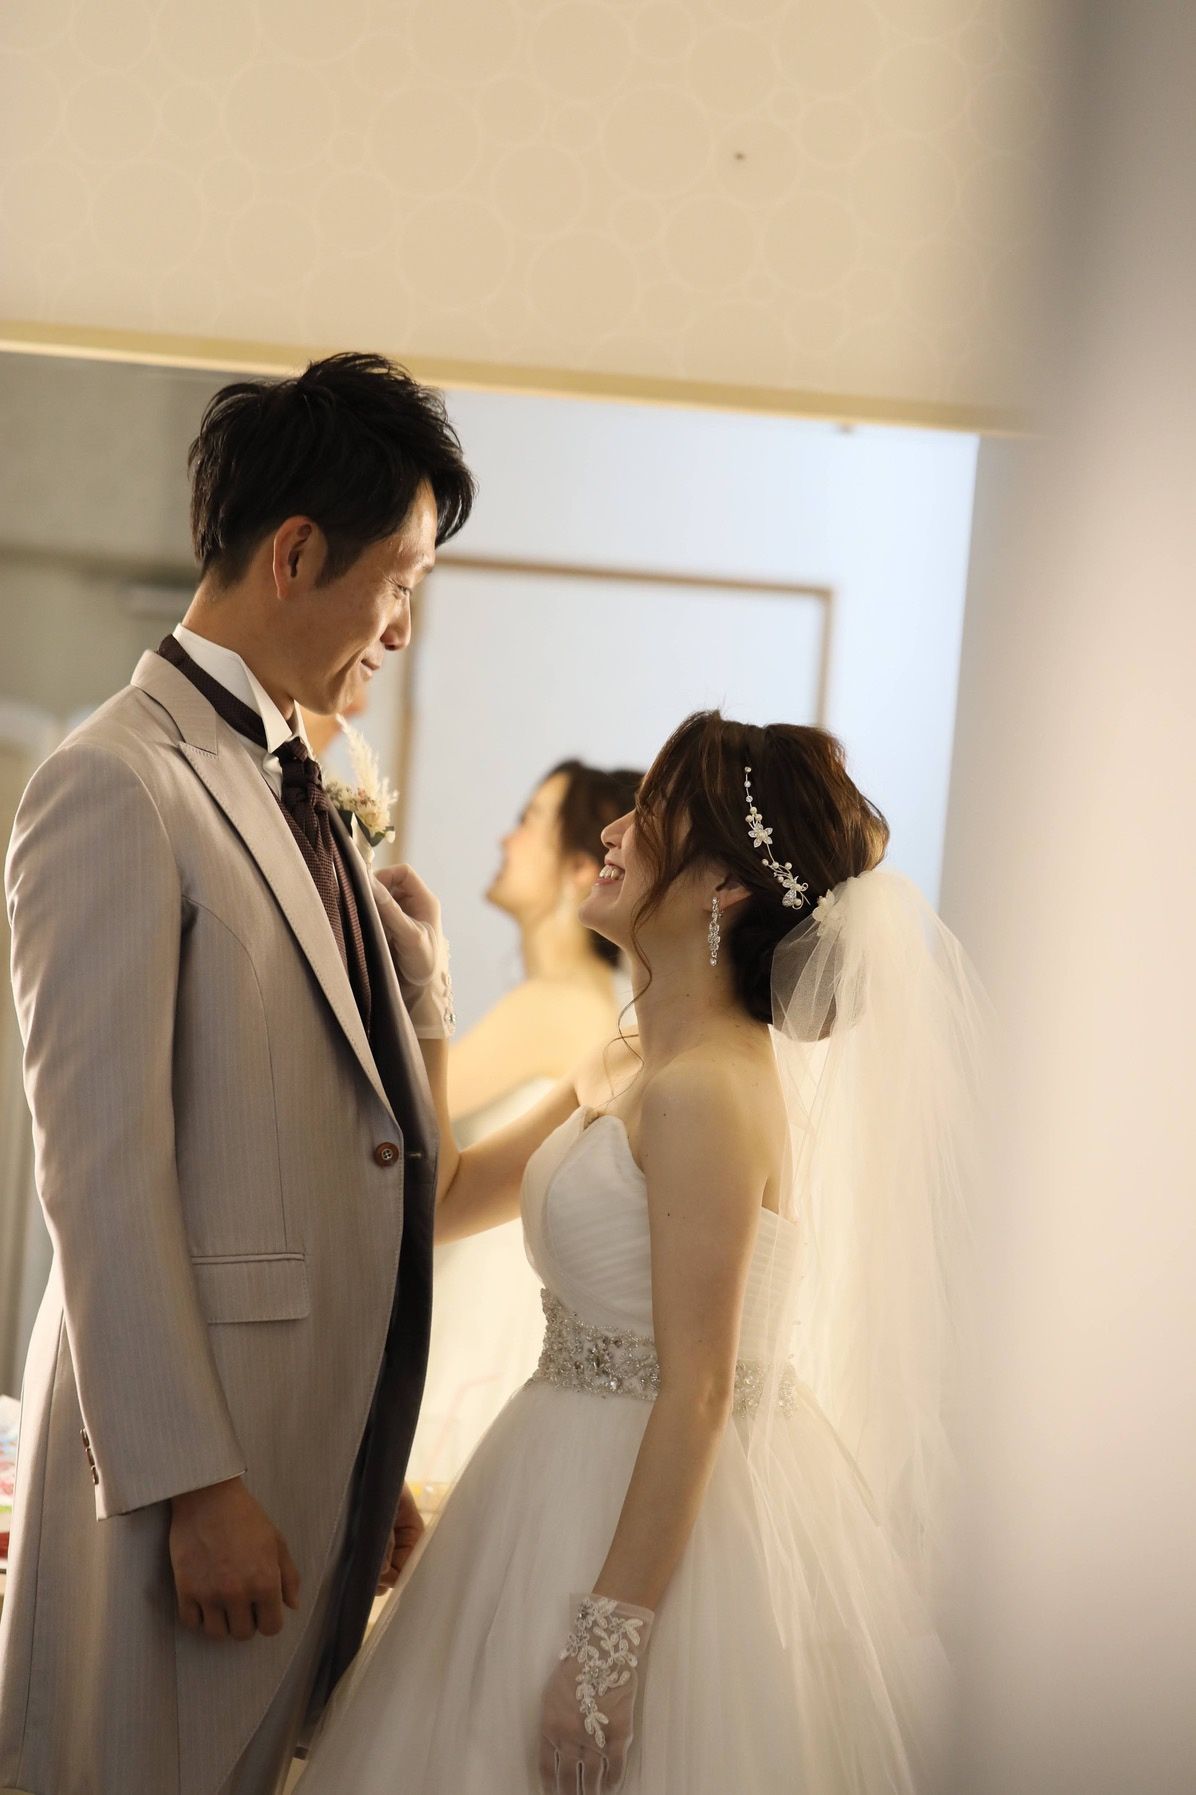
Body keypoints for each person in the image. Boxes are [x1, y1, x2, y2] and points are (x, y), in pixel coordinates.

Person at [300, 709, 981, 1794]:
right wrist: (426, 993)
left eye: (652, 814)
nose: (613, 831)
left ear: (726, 888)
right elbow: (447, 1195)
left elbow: (698, 1390)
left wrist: (605, 1653)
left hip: (651, 1521)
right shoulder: (629, 1054)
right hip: (546, 1477)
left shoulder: (707, 1090)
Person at [0, 352, 473, 1795]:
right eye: (399, 581)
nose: (402, 628)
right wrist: (196, 1482)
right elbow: (100, 1169)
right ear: (296, 553)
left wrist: (356, 1446)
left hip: (297, 1456)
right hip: (177, 1484)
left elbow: (359, 1142)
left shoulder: (293, 776)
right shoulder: (115, 780)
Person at [409, 758, 642, 1488]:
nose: (505, 840)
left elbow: (402, 1106)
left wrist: (420, 975)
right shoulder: (590, 1001)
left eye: (529, 821)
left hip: (493, 1311)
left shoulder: (556, 1006)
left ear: (580, 869)